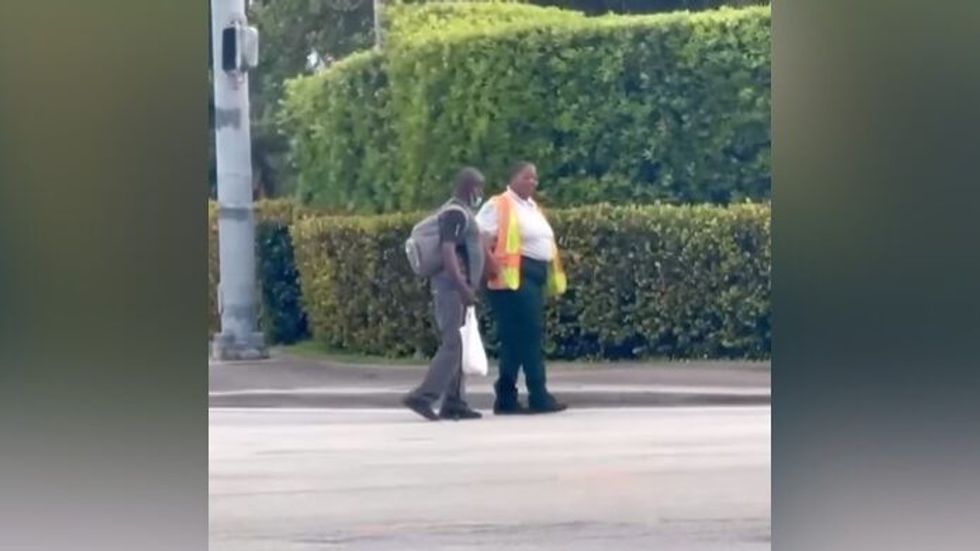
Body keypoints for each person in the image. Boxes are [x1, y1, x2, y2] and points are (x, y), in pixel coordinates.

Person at [476, 162, 568, 415]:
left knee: (516, 341)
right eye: (528, 177)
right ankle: (538, 394)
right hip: (512, 280)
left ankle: (505, 397)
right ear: (513, 178)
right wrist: (491, 264)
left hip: (532, 278)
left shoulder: (531, 208)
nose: (533, 182)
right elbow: (479, 238)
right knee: (530, 335)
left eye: (535, 179)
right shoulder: (499, 205)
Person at [403, 168, 488, 421]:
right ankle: (423, 396)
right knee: (454, 344)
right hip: (451, 288)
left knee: (459, 343)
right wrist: (463, 287)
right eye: (479, 188)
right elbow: (448, 251)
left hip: (457, 288)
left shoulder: (459, 212)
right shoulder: (455, 214)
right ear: (470, 188)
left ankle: (455, 401)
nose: (480, 194)